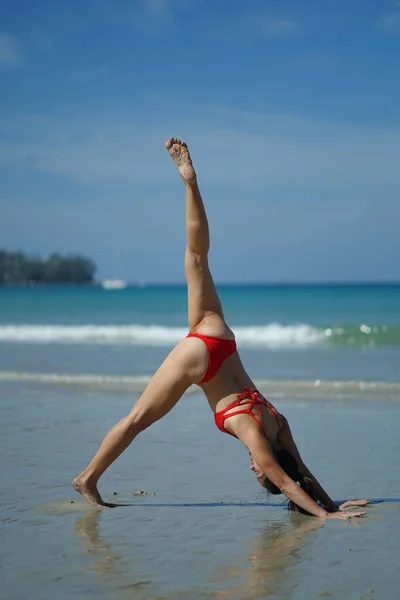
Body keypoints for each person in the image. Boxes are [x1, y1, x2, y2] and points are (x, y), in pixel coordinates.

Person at [73, 138, 368, 519]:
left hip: (221, 339)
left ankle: (190, 185)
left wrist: (332, 500)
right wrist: (328, 515)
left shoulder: (278, 424)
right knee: (136, 420)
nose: (253, 468)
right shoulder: (255, 435)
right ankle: (87, 479)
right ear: (265, 465)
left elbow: (300, 470)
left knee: (196, 257)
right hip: (199, 359)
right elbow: (286, 480)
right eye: (256, 472)